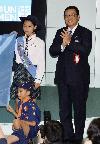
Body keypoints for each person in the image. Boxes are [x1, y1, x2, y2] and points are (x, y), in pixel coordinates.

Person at [49, 6, 92, 143]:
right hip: (63, 78)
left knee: (79, 110)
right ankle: (67, 137)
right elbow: (53, 51)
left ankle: (78, 138)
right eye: (67, 15)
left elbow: (85, 50)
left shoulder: (86, 32)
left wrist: (69, 42)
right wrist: (62, 44)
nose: (69, 17)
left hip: (79, 79)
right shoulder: (59, 32)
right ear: (64, 18)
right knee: (64, 111)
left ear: (78, 17)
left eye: (72, 15)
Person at [10, 15, 45, 109]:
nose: (26, 28)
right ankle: (18, 122)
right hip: (20, 72)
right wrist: (10, 38)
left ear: (35, 27)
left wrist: (38, 79)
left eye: (29, 26)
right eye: (25, 26)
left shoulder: (40, 42)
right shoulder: (18, 40)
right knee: (19, 103)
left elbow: (41, 62)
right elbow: (17, 58)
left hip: (32, 73)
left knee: (31, 103)